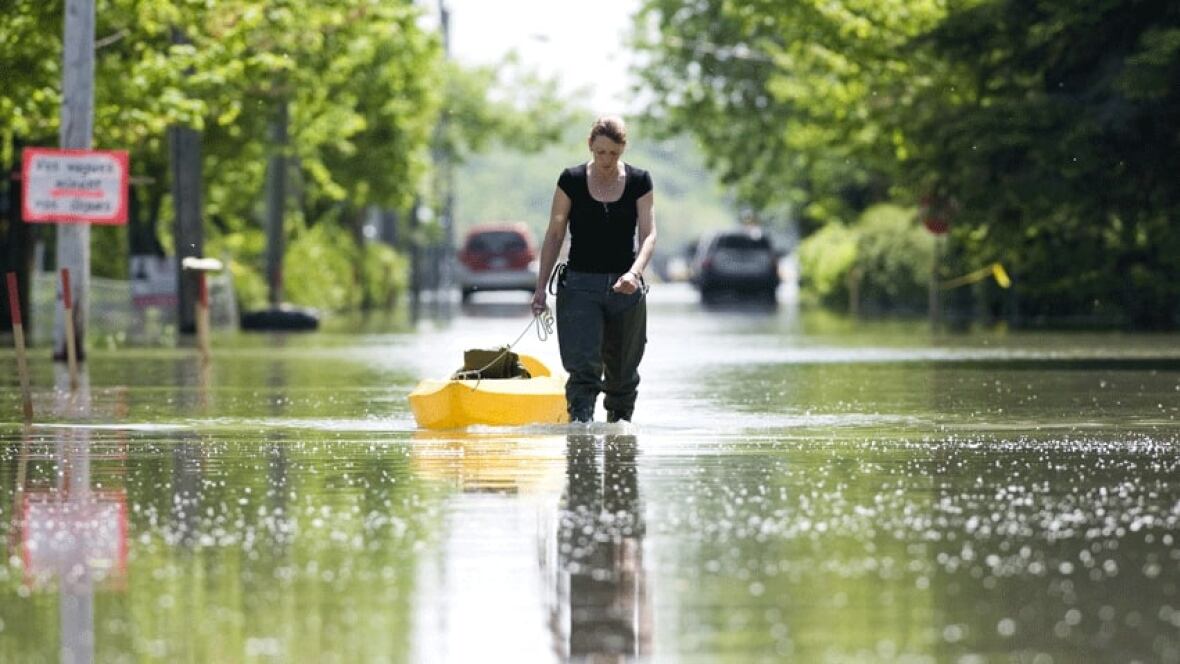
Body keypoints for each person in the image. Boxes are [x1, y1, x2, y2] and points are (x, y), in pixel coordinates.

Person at [531, 116, 657, 424]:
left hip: (625, 289)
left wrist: (634, 274)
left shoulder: (640, 181)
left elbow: (648, 235)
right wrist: (540, 289)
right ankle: (581, 432)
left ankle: (621, 433)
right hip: (579, 288)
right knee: (583, 370)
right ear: (590, 146)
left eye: (614, 153)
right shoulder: (571, 180)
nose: (607, 160)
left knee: (623, 375)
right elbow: (555, 234)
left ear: (623, 149)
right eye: (601, 152)